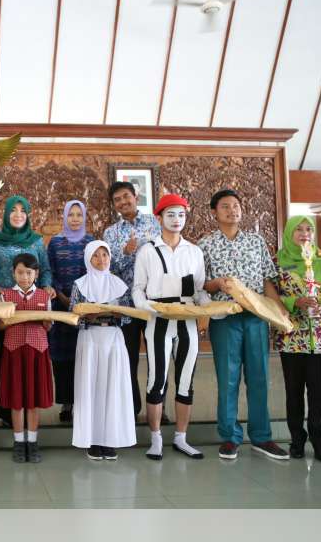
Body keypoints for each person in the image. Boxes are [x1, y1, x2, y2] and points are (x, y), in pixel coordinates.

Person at [198, 189, 289, 461]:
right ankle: (230, 437)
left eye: (236, 206)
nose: (232, 210)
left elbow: (267, 280)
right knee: (228, 378)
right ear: (214, 212)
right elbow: (201, 284)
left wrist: (279, 312)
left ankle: (262, 437)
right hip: (224, 318)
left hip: (256, 317)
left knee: (259, 377)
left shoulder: (255, 241)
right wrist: (217, 284)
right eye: (225, 206)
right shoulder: (205, 244)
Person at [131, 194, 209, 461]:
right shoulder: (147, 250)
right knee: (157, 380)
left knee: (186, 381)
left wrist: (208, 307)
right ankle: (155, 439)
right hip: (158, 318)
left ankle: (181, 438)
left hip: (187, 319)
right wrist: (147, 307)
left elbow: (199, 289)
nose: (177, 220)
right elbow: (138, 288)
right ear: (159, 218)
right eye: (171, 214)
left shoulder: (194, 251)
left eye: (181, 215)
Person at [273, 216, 321, 463]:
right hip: (292, 337)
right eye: (299, 229)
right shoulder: (278, 262)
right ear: (289, 233)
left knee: (318, 393)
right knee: (293, 393)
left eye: (308, 229)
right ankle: (297, 441)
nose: (304, 233)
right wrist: (295, 302)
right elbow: (270, 296)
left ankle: (319, 441)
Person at [0, 195, 53, 425]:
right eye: (13, 210)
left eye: (22, 210)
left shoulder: (36, 241)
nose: (18, 214)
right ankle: (7, 413)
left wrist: (46, 287)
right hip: (3, 308)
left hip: (32, 307)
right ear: (6, 213)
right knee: (6, 360)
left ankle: (30, 409)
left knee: (31, 360)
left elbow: (45, 269)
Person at [70, 241, 136, 460]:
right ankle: (92, 441)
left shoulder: (119, 284)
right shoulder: (80, 284)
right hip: (90, 338)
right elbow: (73, 316)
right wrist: (88, 316)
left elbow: (129, 316)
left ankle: (110, 440)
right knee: (91, 387)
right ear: (88, 259)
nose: (101, 260)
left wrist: (118, 314)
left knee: (112, 387)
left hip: (113, 339)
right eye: (96, 256)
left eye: (105, 255)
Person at [103, 181, 161, 421]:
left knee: (158, 357)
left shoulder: (155, 223)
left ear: (135, 196)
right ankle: (132, 409)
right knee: (128, 358)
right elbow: (109, 269)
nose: (123, 202)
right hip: (126, 305)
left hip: (154, 301)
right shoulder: (110, 233)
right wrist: (126, 253)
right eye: (117, 200)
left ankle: (158, 409)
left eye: (126, 196)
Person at [0, 253, 53, 463]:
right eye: (20, 272)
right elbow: (0, 325)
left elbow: (48, 326)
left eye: (29, 273)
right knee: (17, 401)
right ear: (13, 273)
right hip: (14, 352)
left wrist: (45, 319)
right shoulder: (4, 295)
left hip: (37, 352)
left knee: (33, 401)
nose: (24, 277)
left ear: (36, 274)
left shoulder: (45, 296)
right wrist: (9, 319)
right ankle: (19, 442)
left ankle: (33, 442)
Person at [46, 199, 94, 423]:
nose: (75, 219)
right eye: (71, 214)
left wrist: (78, 300)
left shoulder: (90, 241)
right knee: (61, 357)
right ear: (64, 217)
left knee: (82, 355)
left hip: (84, 306)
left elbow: (93, 272)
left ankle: (82, 403)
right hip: (60, 306)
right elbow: (49, 271)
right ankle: (66, 403)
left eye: (79, 215)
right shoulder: (55, 242)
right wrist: (63, 297)